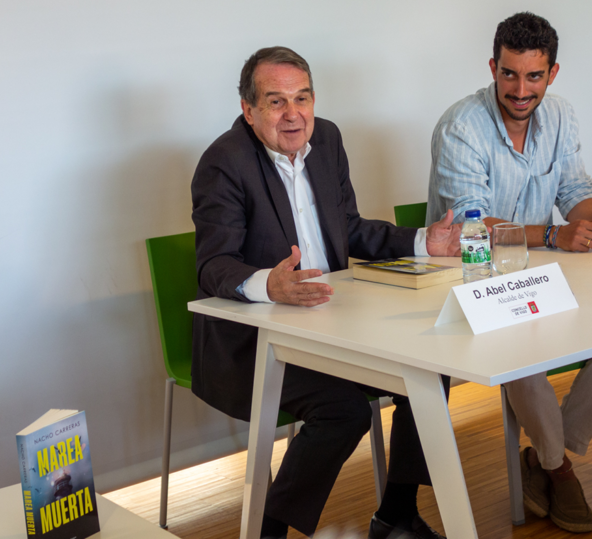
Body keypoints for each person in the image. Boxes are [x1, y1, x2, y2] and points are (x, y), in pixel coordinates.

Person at [191, 46, 461, 539]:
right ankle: (267, 532)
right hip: (253, 342)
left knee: (430, 369)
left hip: (333, 324)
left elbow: (350, 230)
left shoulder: (329, 139)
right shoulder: (224, 163)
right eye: (275, 102)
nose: (293, 114)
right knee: (344, 410)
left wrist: (425, 241)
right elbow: (213, 266)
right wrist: (267, 283)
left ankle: (396, 515)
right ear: (249, 110)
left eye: (302, 98)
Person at [426, 12, 592, 534]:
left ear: (552, 73)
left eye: (533, 77)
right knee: (520, 352)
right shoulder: (461, 126)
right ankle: (559, 469)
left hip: (541, 272)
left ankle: (550, 456)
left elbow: (574, 190)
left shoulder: (562, 116)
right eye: (509, 75)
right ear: (493, 67)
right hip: (467, 279)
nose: (520, 90)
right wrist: (553, 236)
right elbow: (472, 223)